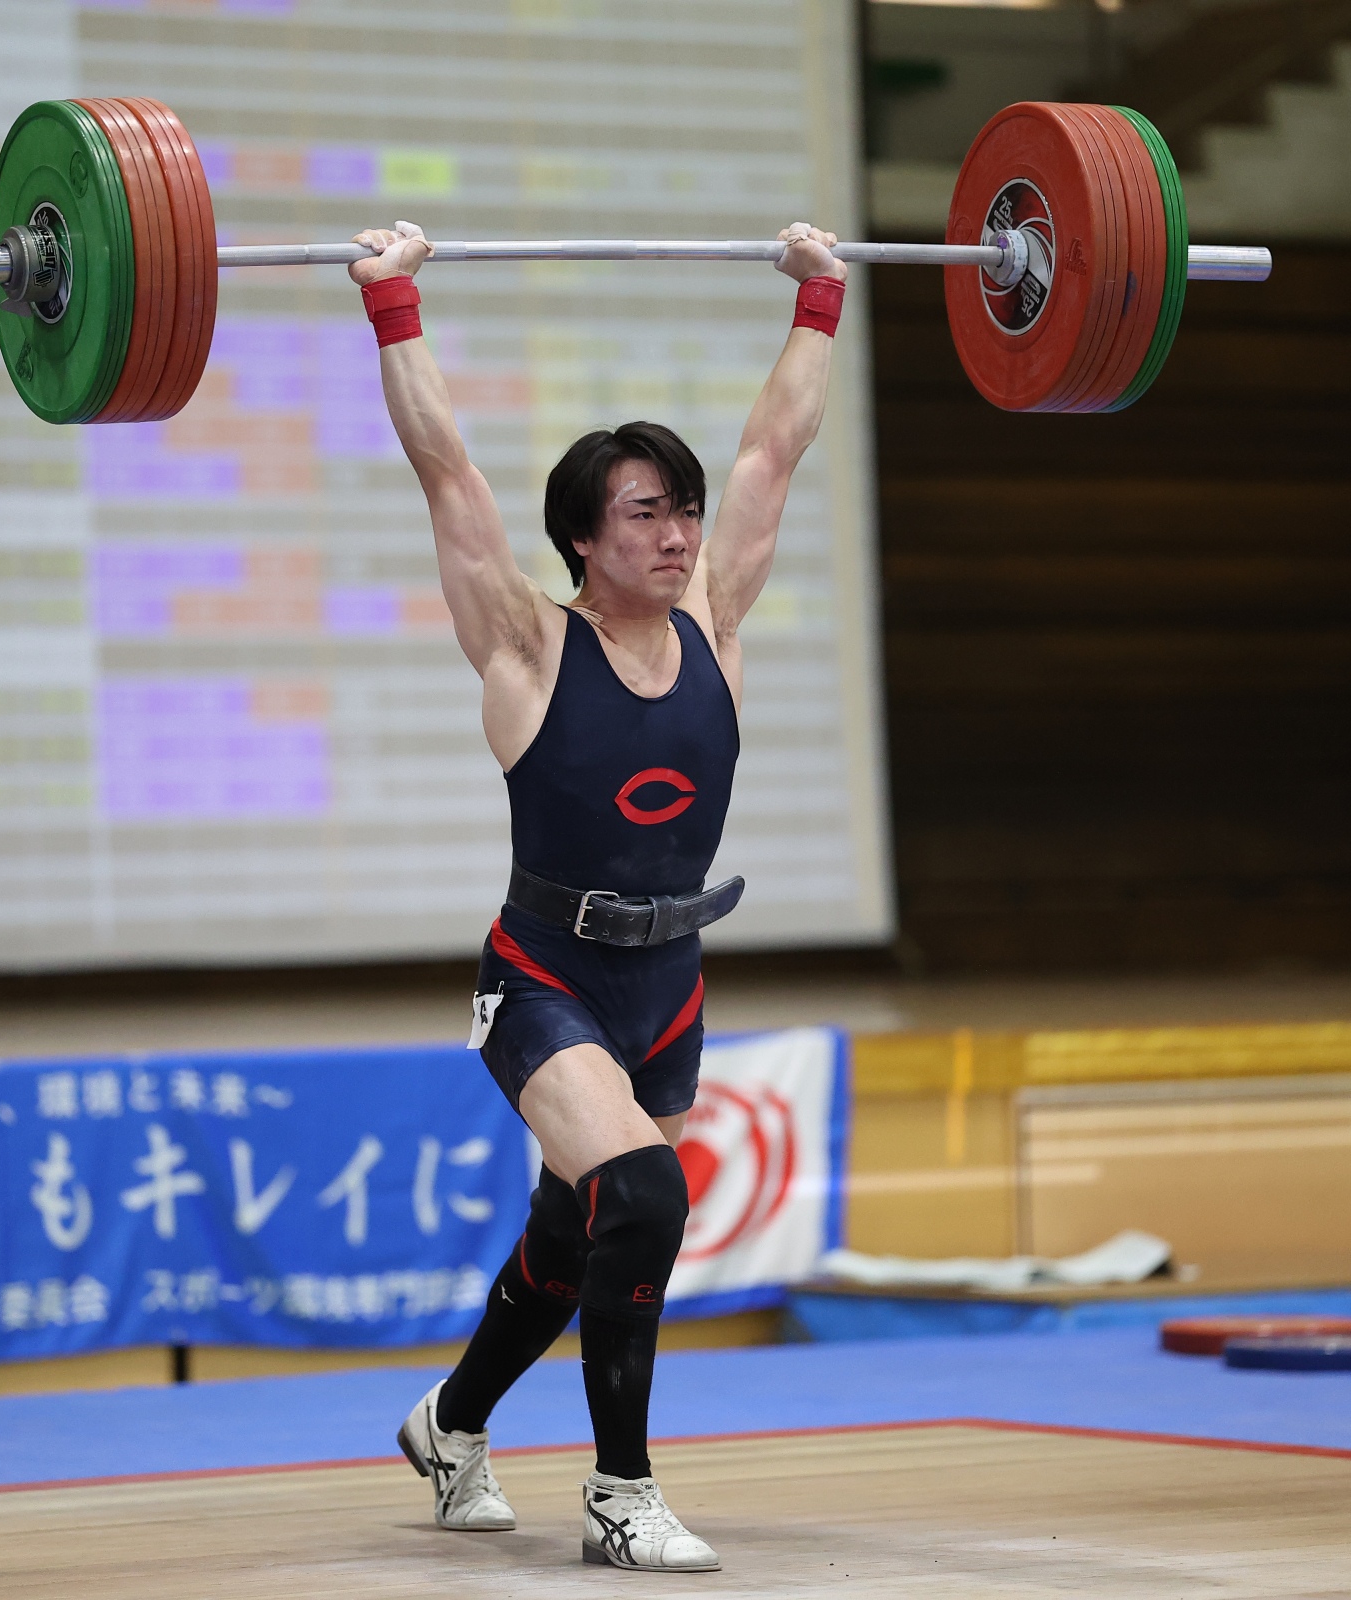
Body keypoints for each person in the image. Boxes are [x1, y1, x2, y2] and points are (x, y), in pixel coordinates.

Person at [358, 218, 847, 1573]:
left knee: (578, 1233)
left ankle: (450, 1424)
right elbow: (447, 470)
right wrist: (393, 303)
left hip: (668, 985)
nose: (681, 533)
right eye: (647, 513)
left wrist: (819, 301)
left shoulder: (717, 627)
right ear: (582, 536)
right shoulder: (526, 645)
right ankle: (621, 1494)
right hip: (545, 981)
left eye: (684, 511)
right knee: (642, 1193)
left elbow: (773, 456)